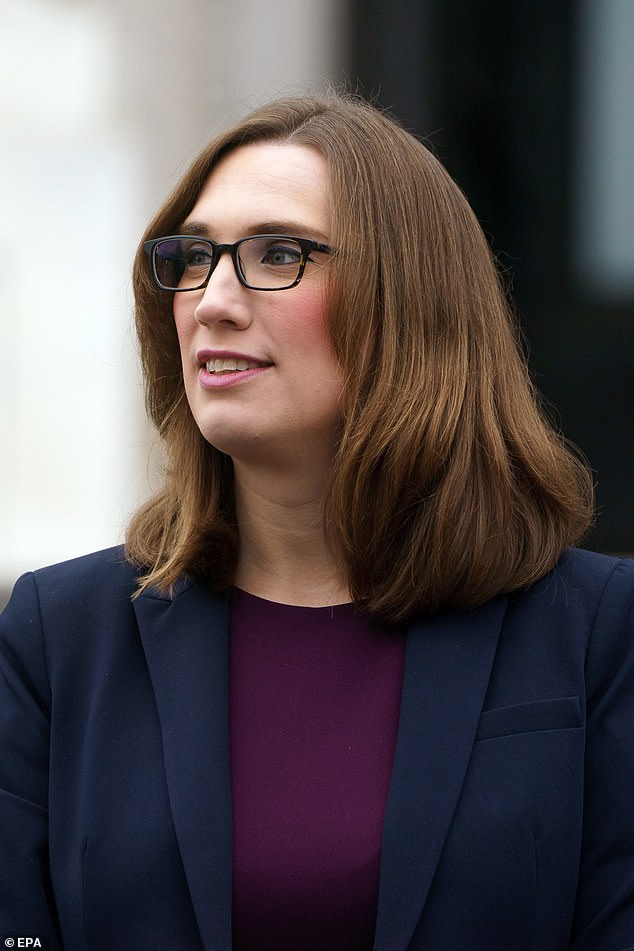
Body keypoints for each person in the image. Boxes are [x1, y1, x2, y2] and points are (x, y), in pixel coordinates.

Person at [1, 92, 633, 951]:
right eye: (193, 257)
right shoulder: (59, 636)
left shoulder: (595, 633)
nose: (212, 300)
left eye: (277, 253)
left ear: (407, 303)